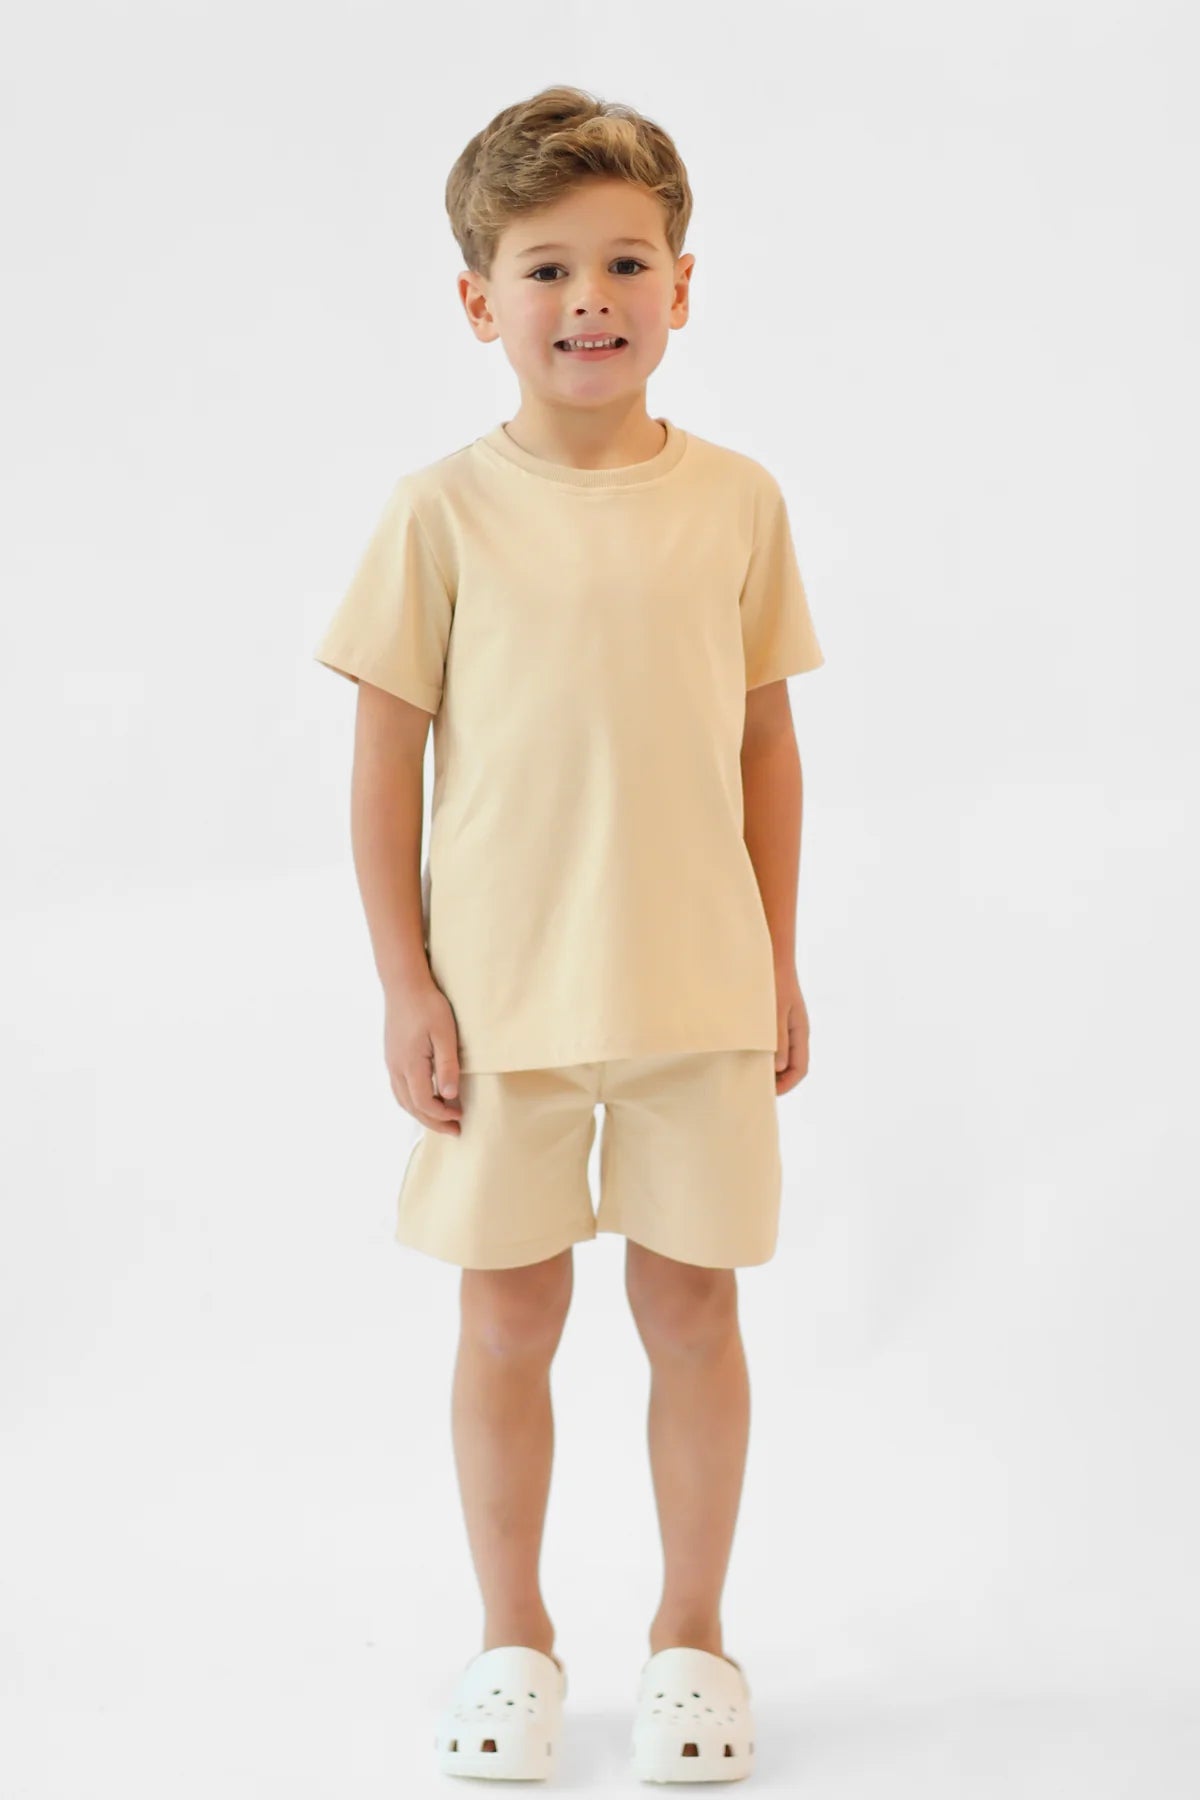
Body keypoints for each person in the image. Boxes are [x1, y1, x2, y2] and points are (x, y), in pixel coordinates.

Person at [313, 84, 825, 1785]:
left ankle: (693, 1639)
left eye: (624, 262)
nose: (589, 299)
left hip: (695, 992)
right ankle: (512, 1638)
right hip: (503, 1004)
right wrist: (405, 981)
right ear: (482, 302)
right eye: (546, 269)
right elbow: (385, 759)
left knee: (693, 1313)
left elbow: (765, 742)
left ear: (683, 284)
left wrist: (780, 958)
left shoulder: (737, 502)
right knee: (508, 1321)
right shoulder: (439, 512)